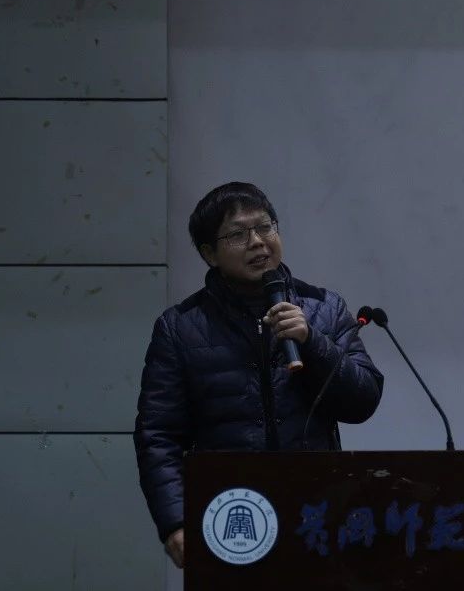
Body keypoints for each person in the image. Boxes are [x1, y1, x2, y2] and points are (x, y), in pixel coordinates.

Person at [132, 182, 384, 569]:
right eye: (237, 234)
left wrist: (311, 341)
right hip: (229, 516)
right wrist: (176, 520)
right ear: (209, 254)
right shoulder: (180, 328)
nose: (257, 242)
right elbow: (158, 435)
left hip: (316, 511)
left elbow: (363, 400)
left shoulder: (323, 309)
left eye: (265, 227)